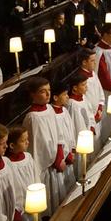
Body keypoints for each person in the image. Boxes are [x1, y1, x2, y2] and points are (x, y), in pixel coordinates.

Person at [23, 77, 69, 210]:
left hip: (55, 161)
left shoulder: (49, 108)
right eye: (43, 91)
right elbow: (38, 147)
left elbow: (58, 134)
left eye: (49, 90)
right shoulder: (32, 117)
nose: (48, 94)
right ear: (33, 94)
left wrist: (60, 155)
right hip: (44, 167)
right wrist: (54, 160)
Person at [5, 125, 42, 221]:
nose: (27, 142)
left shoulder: (28, 157)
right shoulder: (8, 165)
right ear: (12, 145)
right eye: (23, 140)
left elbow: (36, 177)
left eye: (27, 139)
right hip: (21, 209)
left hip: (34, 203)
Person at [76, 49, 105, 139]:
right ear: (84, 62)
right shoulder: (80, 80)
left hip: (97, 115)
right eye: (92, 61)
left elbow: (100, 92)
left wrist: (100, 108)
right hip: (89, 119)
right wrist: (93, 116)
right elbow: (84, 102)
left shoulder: (93, 74)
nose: (95, 63)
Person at [65, 74, 97, 147]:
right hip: (80, 139)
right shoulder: (72, 104)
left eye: (86, 84)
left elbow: (90, 114)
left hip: (88, 134)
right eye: (83, 85)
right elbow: (76, 125)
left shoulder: (83, 97)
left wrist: (92, 126)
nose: (86, 87)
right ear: (75, 87)